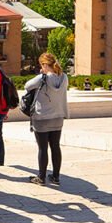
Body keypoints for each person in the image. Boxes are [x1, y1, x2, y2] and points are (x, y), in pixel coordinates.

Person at [25, 52, 69, 186]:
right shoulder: (64, 77)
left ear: (44, 65)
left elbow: (27, 86)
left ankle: (41, 177)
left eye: (41, 65)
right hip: (58, 116)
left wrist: (40, 74)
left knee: (42, 148)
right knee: (55, 146)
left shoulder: (42, 78)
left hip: (42, 117)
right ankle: (56, 177)